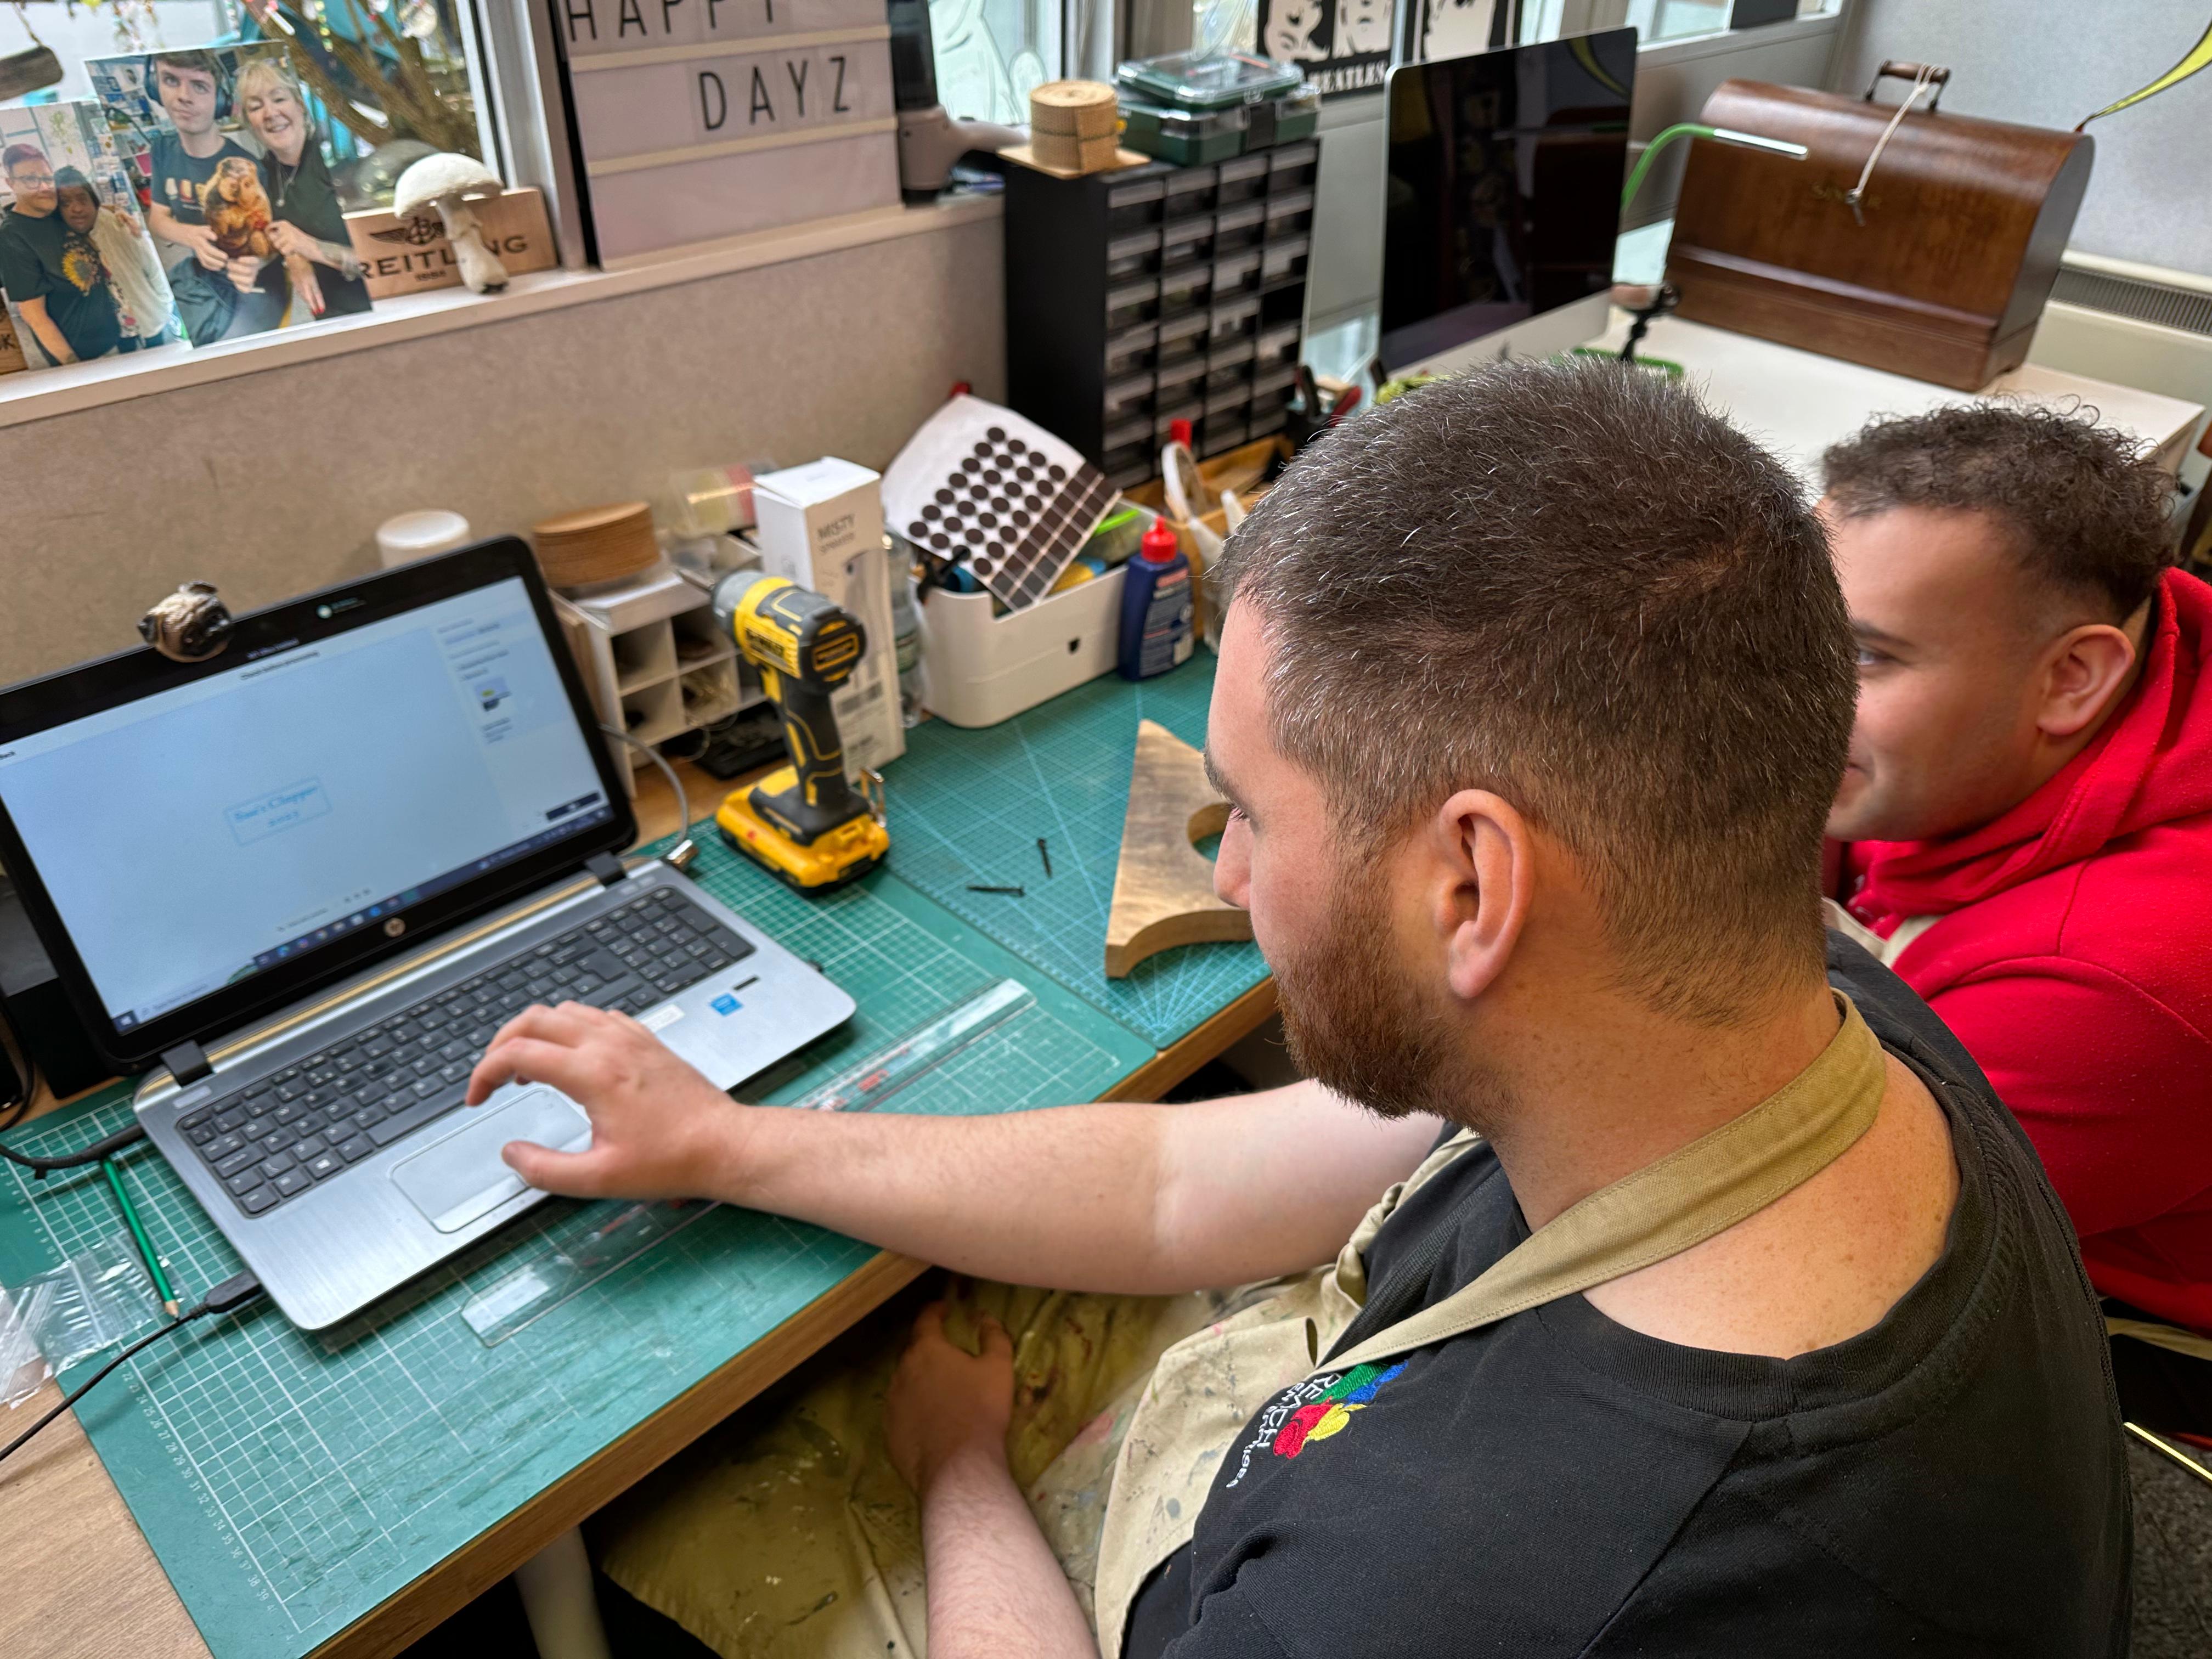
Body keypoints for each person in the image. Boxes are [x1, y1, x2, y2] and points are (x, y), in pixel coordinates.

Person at [470, 362, 2129, 1657]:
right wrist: (733, 1141)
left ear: (1473, 889)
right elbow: (1177, 1183)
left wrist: (953, 1476)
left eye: (1253, 810)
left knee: (678, 1501)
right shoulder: (1782, 992)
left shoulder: (1476, 1594)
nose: (1227, 862)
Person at [1822, 403, 2212, 1441]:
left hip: (2134, 1348)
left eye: (1861, 655)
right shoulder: (1999, 692)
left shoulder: (2113, 982)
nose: (1776, 692)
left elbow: (1824, 1239)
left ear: (2074, 679)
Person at [140, 48, 282, 343]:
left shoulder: (249, 168)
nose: (183, 96)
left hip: (247, 282)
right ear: (156, 88)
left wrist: (258, 262)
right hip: (199, 275)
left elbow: (274, 239)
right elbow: (158, 219)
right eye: (170, 81)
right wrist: (191, 235)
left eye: (199, 86)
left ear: (220, 99)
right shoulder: (163, 150)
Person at [231, 58, 371, 322]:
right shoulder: (259, 178)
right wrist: (293, 256)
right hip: (331, 324)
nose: (270, 113)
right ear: (249, 122)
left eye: (279, 99)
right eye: (256, 106)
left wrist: (309, 247)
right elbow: (271, 240)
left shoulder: (340, 162)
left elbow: (384, 261)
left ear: (301, 105)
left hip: (381, 313)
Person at [0, 144, 125, 366]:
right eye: (31, 180)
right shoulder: (13, 237)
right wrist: (72, 364)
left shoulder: (55, 211)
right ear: (11, 184)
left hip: (116, 338)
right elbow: (33, 316)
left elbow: (88, 209)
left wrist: (119, 215)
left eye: (48, 178)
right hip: (81, 357)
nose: (43, 187)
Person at [53, 168, 177, 350]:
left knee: (158, 354)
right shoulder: (68, 238)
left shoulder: (117, 225)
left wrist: (165, 303)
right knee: (127, 357)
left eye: (82, 199)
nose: (76, 208)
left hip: (146, 311)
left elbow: (151, 265)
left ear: (92, 199)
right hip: (115, 324)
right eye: (66, 203)